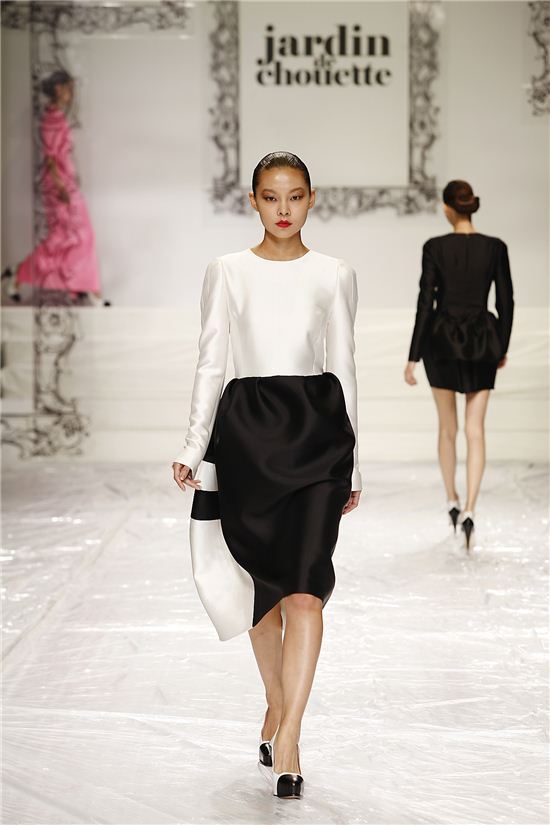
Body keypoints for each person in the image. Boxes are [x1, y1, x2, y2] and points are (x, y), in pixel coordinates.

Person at [172, 151, 362, 799]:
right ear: (252, 200)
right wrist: (195, 444)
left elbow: (345, 365)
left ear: (312, 199)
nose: (284, 209)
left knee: (305, 590)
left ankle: (290, 737)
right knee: (263, 594)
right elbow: (211, 360)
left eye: (296, 196)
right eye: (271, 196)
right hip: (248, 438)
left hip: (317, 436)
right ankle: (277, 702)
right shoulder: (227, 270)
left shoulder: (334, 273)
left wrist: (354, 461)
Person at [404, 180, 514, 550]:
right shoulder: (495, 247)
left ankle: (452, 500)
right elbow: (506, 301)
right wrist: (501, 345)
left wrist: (413, 355)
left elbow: (425, 302)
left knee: (447, 429)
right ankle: (470, 509)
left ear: (447, 208)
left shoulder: (434, 247)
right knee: (475, 430)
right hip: (483, 340)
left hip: (441, 341)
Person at [2, 69, 109, 306]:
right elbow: (50, 158)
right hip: (59, 186)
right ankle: (25, 273)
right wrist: (61, 185)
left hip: (64, 183)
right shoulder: (52, 119)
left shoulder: (56, 117)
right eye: (69, 88)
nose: (72, 94)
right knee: (66, 237)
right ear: (59, 89)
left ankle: (80, 287)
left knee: (75, 237)